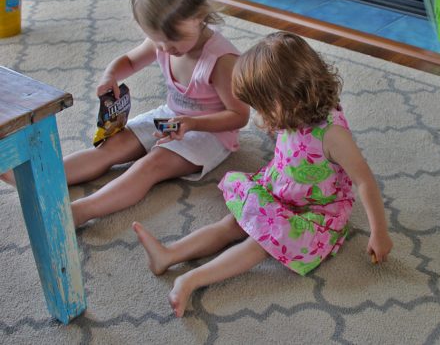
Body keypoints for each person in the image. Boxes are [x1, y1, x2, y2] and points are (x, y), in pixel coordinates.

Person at [133, 31, 393, 317]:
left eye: (263, 106)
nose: (260, 114)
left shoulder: (333, 135)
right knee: (232, 223)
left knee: (259, 243)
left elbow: (365, 181)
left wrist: (379, 232)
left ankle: (191, 280)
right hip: (280, 189)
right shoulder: (293, 113)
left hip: (313, 212)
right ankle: (169, 254)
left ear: (288, 100)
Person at [2, 0, 250, 227]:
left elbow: (239, 116)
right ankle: (39, 178)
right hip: (171, 117)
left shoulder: (221, 61)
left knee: (152, 164)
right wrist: (111, 75)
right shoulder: (163, 43)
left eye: (175, 39)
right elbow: (130, 61)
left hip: (209, 132)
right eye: (157, 40)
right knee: (113, 146)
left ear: (199, 15)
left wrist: (192, 124)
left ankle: (79, 213)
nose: (166, 49)